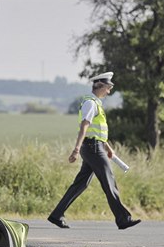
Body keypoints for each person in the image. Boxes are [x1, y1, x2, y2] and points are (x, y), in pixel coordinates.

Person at [47, 71, 141, 230]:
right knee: (109, 181)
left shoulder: (95, 103)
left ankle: (56, 215)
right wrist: (76, 149)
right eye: (108, 87)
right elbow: (85, 126)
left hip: (94, 146)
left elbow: (96, 132)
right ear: (100, 86)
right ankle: (123, 219)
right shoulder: (91, 103)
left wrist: (107, 147)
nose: (109, 91)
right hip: (92, 148)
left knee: (80, 184)